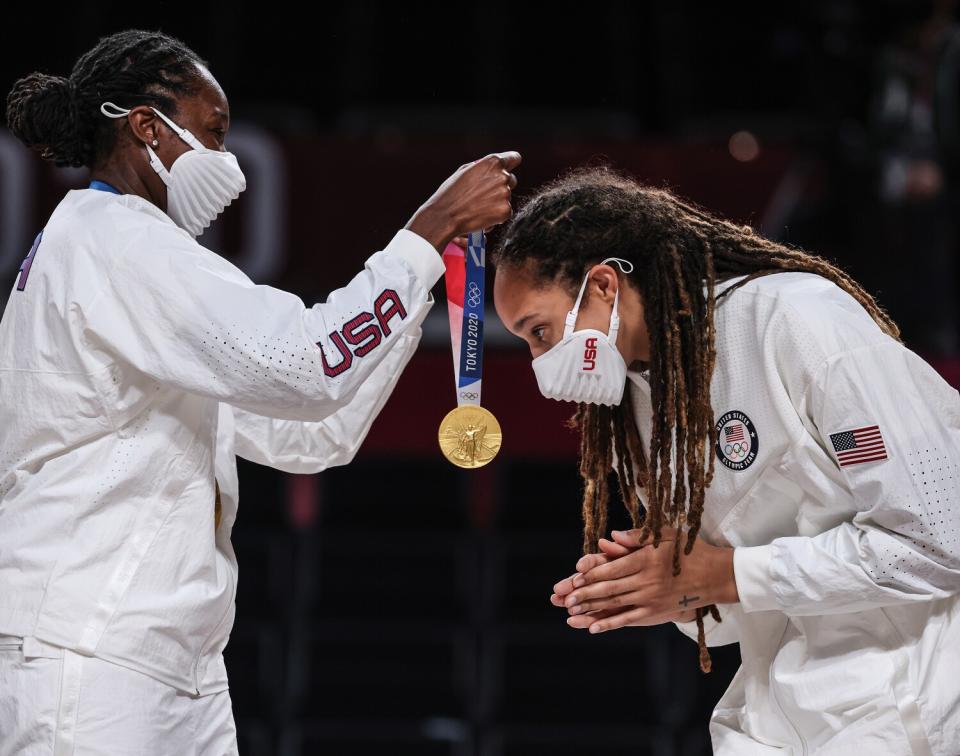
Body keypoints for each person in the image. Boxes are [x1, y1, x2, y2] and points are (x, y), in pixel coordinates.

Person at [0, 28, 519, 754]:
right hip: (92, 649)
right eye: (212, 136)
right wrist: (430, 229)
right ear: (146, 126)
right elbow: (305, 366)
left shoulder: (118, 252)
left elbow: (311, 434)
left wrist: (424, 273)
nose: (226, 163)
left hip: (169, 661)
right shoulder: (119, 243)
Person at [490, 165, 960, 754]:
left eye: (540, 330)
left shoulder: (796, 320)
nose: (539, 362)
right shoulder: (636, 408)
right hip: (775, 716)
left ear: (605, 285)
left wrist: (724, 573)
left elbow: (940, 542)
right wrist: (666, 590)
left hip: (911, 700)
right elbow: (738, 615)